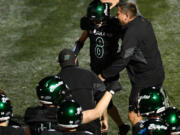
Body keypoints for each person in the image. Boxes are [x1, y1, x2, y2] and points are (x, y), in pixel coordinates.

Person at [98, 2, 165, 134]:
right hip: (157, 73)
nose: (116, 17)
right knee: (154, 112)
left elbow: (124, 59)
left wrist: (103, 75)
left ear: (127, 16)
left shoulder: (132, 33)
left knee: (134, 115)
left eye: (118, 14)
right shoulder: (142, 22)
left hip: (145, 79)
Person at [73, 1, 130, 134]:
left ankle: (104, 127)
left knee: (101, 98)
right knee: (105, 101)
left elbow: (128, 43)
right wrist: (74, 53)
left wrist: (120, 58)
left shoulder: (114, 25)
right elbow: (80, 41)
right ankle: (121, 126)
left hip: (109, 68)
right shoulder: (89, 25)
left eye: (97, 20)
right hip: (96, 68)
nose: (95, 23)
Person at [57, 48, 108, 135]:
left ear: (59, 63)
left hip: (66, 128)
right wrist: (104, 119)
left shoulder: (56, 81)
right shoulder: (89, 75)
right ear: (76, 60)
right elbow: (102, 95)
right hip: (91, 127)